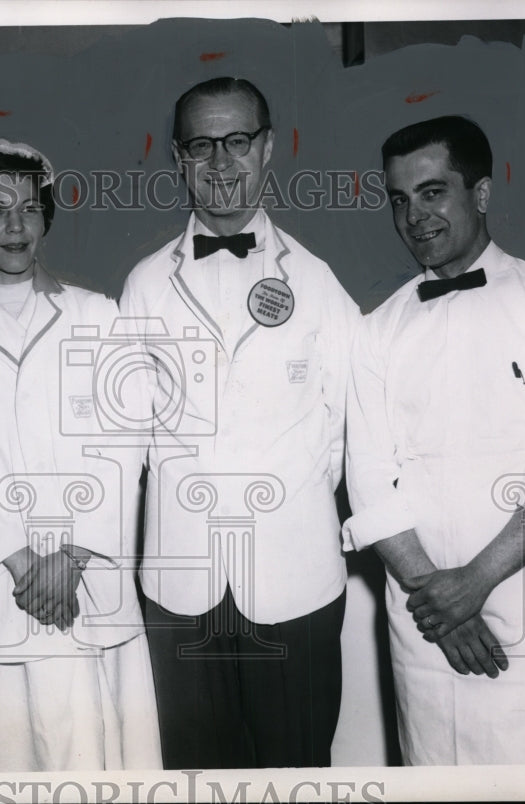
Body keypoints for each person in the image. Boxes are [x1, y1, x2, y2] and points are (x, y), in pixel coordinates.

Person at [343, 115, 525, 764]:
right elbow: (371, 480)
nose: (414, 216)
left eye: (433, 192)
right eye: (400, 200)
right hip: (429, 629)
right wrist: (441, 599)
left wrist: (474, 583)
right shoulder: (376, 331)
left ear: (482, 194)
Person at [119, 77, 360, 769]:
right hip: (180, 583)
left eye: (237, 142)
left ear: (269, 148)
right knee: (199, 774)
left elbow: (345, 432)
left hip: (295, 579)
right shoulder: (144, 284)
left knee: (297, 769)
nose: (221, 164)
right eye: (202, 145)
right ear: (178, 157)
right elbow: (127, 438)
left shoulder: (317, 281)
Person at [0, 139, 162, 772]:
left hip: (92, 583)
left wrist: (74, 553)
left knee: (110, 759)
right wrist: (25, 563)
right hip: (8, 589)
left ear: (47, 216)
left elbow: (127, 438)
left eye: (29, 208)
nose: (16, 226)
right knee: (17, 763)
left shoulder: (98, 317)